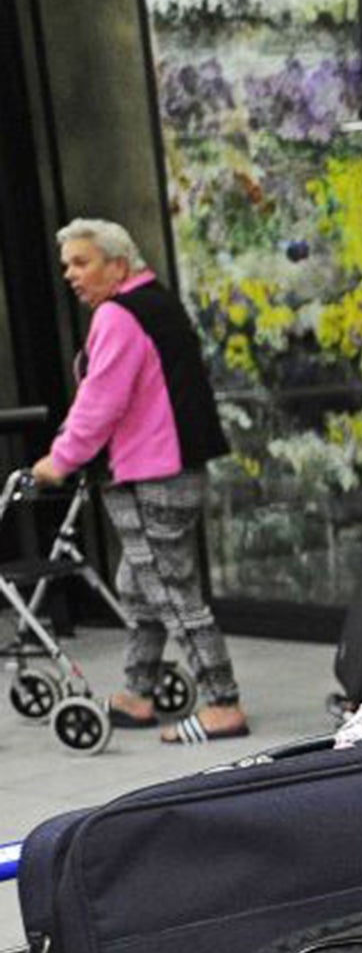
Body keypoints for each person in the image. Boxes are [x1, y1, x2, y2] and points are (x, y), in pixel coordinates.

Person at [30, 218, 247, 744]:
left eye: (82, 263)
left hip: (151, 474)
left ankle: (223, 704)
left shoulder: (118, 315)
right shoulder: (156, 304)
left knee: (170, 590)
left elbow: (101, 400)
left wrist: (59, 460)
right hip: (172, 468)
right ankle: (138, 692)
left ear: (118, 264)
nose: (71, 275)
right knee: (139, 584)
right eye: (66, 266)